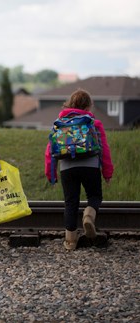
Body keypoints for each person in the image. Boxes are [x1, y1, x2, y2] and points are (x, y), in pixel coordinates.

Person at [44, 89, 113, 250]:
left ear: (70, 104)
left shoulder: (59, 123)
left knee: (70, 203)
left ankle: (70, 241)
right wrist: (107, 172)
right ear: (88, 106)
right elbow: (104, 149)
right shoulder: (93, 123)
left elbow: (50, 152)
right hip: (90, 166)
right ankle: (88, 215)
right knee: (95, 196)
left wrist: (51, 174)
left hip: (67, 168)